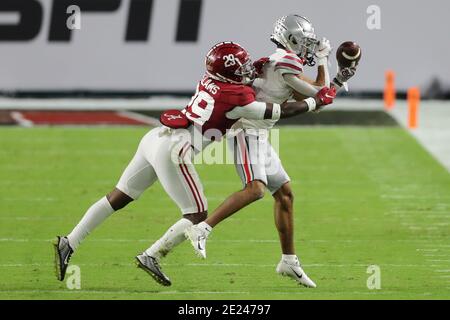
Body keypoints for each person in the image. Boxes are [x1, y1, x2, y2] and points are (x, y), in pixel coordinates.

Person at [54, 41, 336, 286]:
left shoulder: (211, 79)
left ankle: (70, 241)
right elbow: (279, 110)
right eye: (241, 67)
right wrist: (315, 102)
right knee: (197, 215)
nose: (247, 69)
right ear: (230, 74)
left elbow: (245, 83)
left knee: (118, 196)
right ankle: (152, 255)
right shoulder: (237, 98)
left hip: (155, 138)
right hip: (175, 151)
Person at [185, 15, 357, 288]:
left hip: (260, 133)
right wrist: (327, 65)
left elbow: (311, 95)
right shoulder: (286, 60)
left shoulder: (281, 62)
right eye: (306, 42)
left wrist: (337, 79)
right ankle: (202, 229)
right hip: (247, 131)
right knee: (255, 190)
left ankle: (288, 261)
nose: (310, 48)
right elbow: (319, 97)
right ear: (291, 39)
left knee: (285, 195)